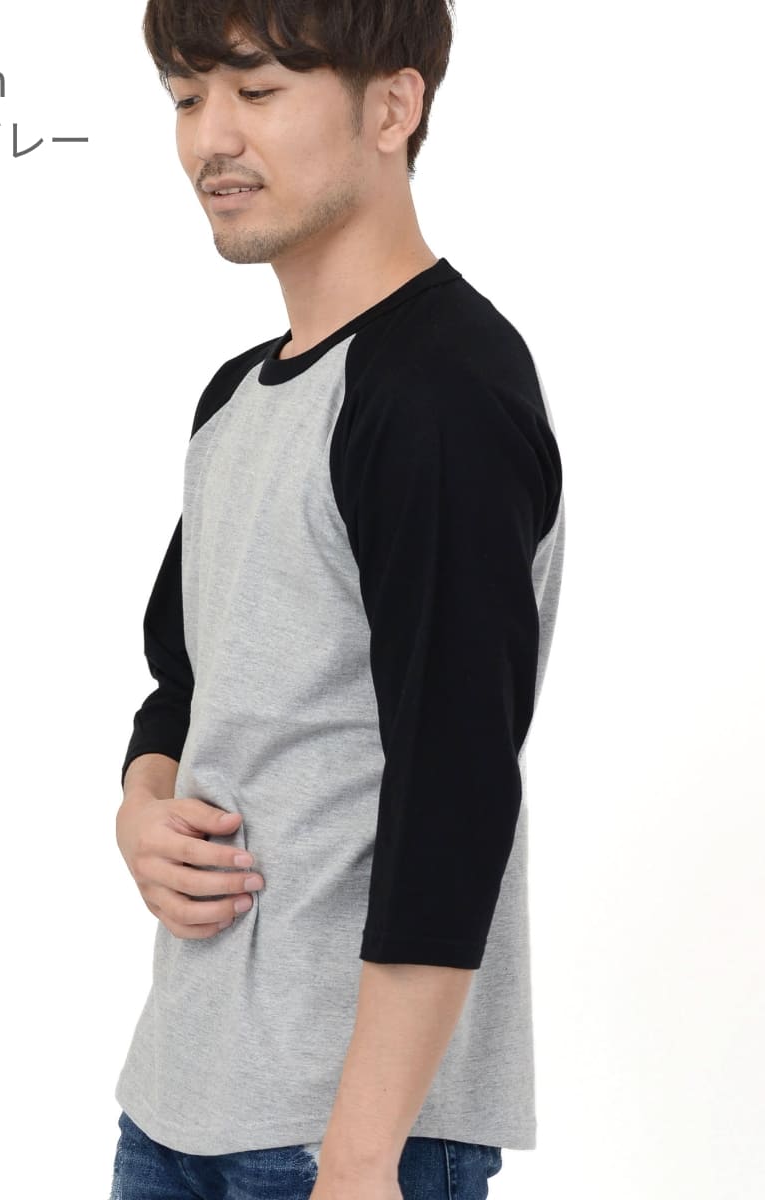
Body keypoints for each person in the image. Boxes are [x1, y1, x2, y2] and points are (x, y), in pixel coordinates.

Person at [111, 3, 565, 1197]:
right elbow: (186, 681)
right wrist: (142, 805)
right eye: (186, 97)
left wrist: (361, 1160)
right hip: (178, 1101)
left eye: (256, 91)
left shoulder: (440, 392)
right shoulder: (237, 399)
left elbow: (458, 787)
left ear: (392, 106)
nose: (211, 137)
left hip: (347, 1133)